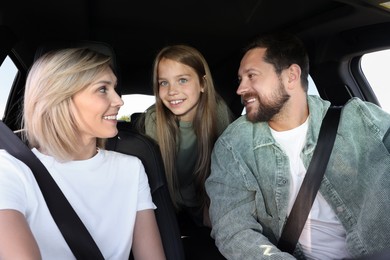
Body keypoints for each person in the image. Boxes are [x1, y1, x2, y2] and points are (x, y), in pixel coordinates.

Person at [205, 32, 390, 259]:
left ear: (291, 76)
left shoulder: (361, 119)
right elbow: (232, 228)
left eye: (251, 76)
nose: (240, 89)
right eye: (240, 79)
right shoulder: (233, 145)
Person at [0, 48, 165, 260]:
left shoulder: (132, 168)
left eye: (114, 88)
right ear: (59, 98)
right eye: (103, 89)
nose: (119, 101)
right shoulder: (11, 170)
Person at [138, 45, 232, 259]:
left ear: (202, 83)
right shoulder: (153, 122)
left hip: (205, 202)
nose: (172, 91)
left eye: (182, 80)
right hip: (166, 207)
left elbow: (228, 174)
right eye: (164, 83)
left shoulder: (219, 113)